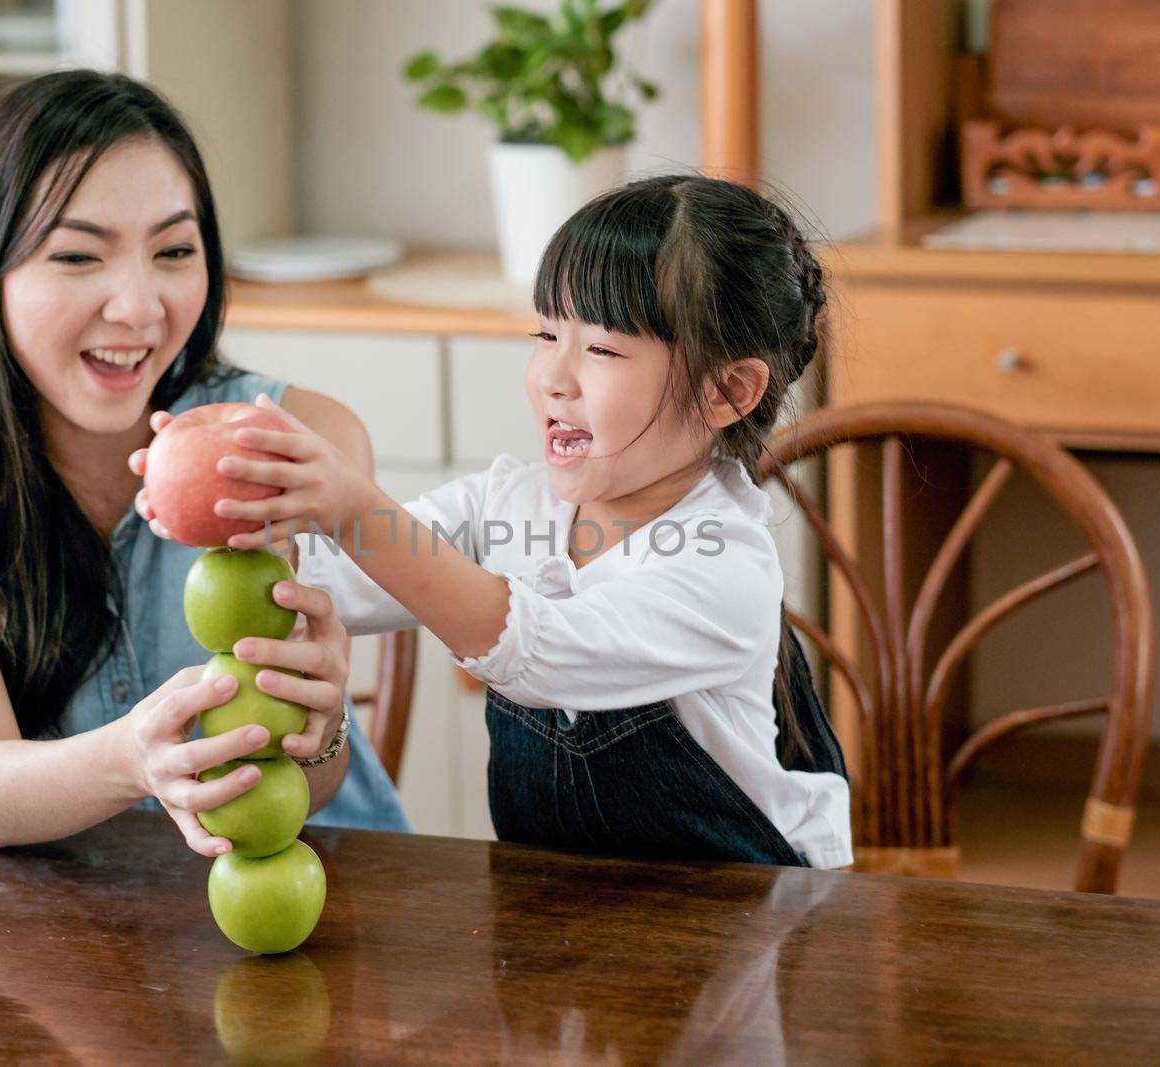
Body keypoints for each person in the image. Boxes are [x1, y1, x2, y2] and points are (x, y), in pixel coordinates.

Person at [136, 176, 850, 867]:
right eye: (546, 333)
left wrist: (351, 504)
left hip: (747, 926)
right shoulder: (507, 505)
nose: (553, 377)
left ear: (728, 390)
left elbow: (534, 650)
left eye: (601, 348)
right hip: (562, 921)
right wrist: (241, 510)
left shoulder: (723, 565)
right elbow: (336, 581)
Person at [0, 70, 408, 858]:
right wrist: (135, 758)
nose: (139, 307)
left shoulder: (300, 439)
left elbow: (309, 775)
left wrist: (320, 725)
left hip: (306, 900)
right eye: (77, 256)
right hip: (37, 931)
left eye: (174, 249)